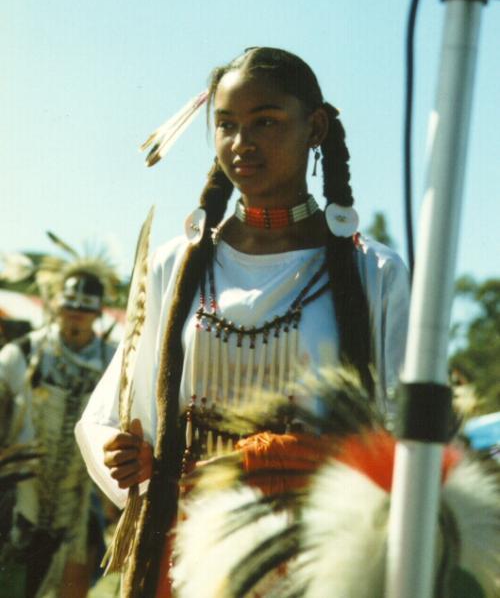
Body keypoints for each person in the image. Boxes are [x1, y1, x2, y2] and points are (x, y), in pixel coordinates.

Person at [75, 46, 410, 597]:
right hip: (188, 552)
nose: (241, 143)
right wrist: (129, 455)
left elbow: (400, 428)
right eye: (226, 125)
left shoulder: (373, 272)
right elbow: (110, 414)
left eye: (266, 122)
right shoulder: (176, 264)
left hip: (317, 554)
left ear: (316, 128)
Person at [0, 265, 117, 598]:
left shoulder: (115, 363)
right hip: (19, 498)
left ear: (98, 312)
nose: (76, 316)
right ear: (54, 305)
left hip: (79, 504)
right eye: (70, 306)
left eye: (85, 308)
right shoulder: (20, 354)